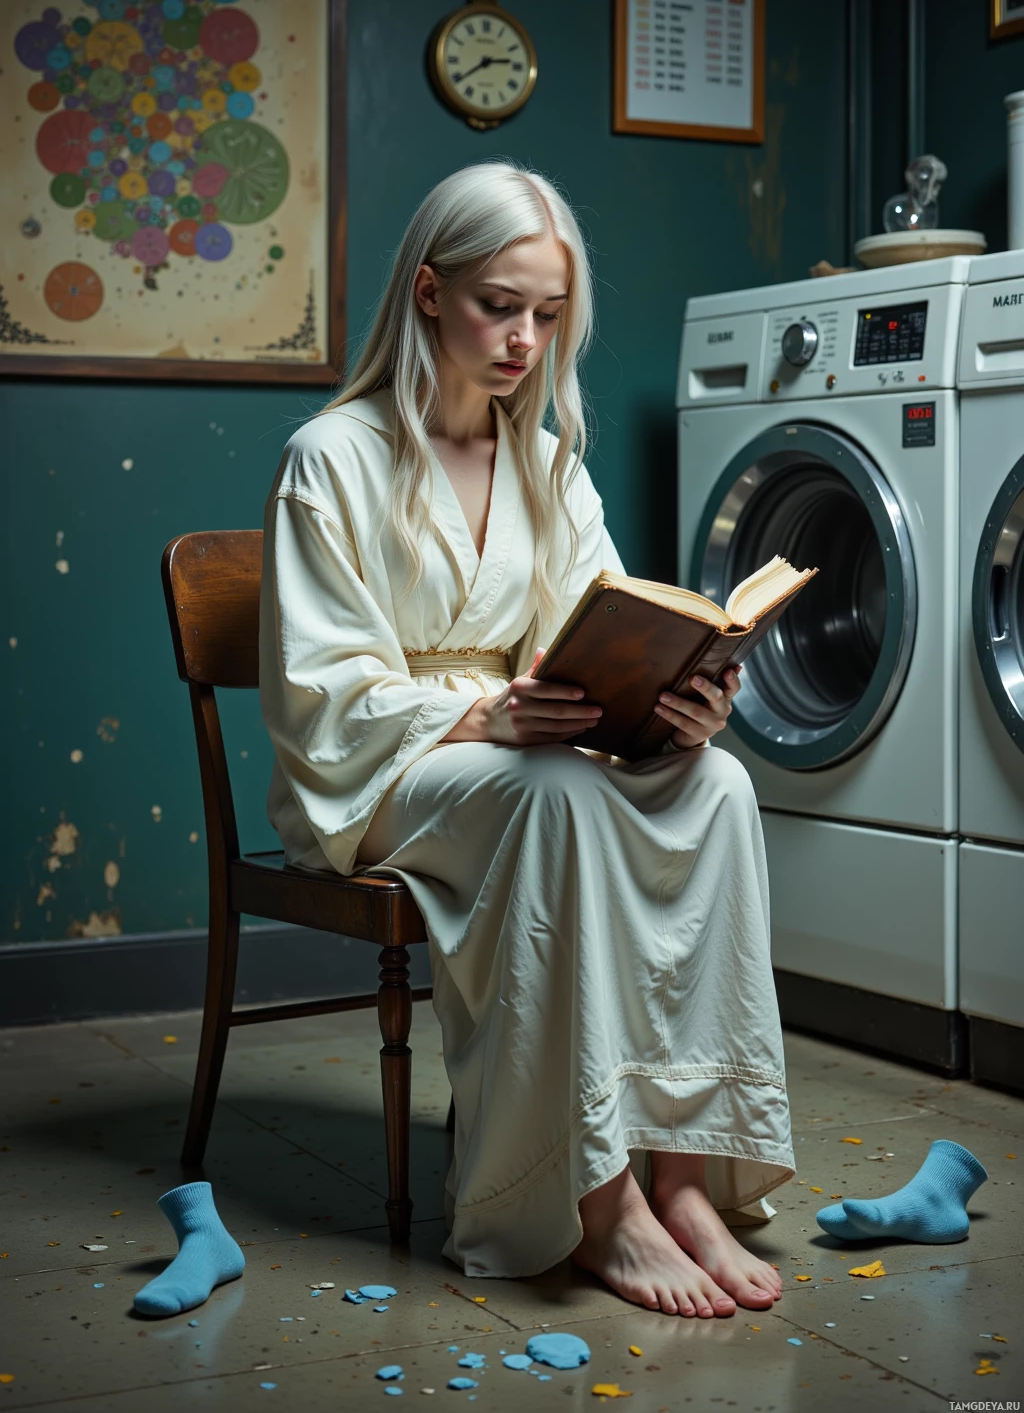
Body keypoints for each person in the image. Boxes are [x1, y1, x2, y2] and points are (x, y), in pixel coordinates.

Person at [258, 160, 796, 1318]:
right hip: (376, 772)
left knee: (718, 788)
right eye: (500, 305)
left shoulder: (547, 461)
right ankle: (594, 1203)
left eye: (548, 316)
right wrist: (479, 713)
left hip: (527, 747)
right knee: (552, 795)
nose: (524, 339)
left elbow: (596, 636)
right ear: (428, 292)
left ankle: (683, 1177)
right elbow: (319, 693)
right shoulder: (330, 460)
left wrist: (674, 700)